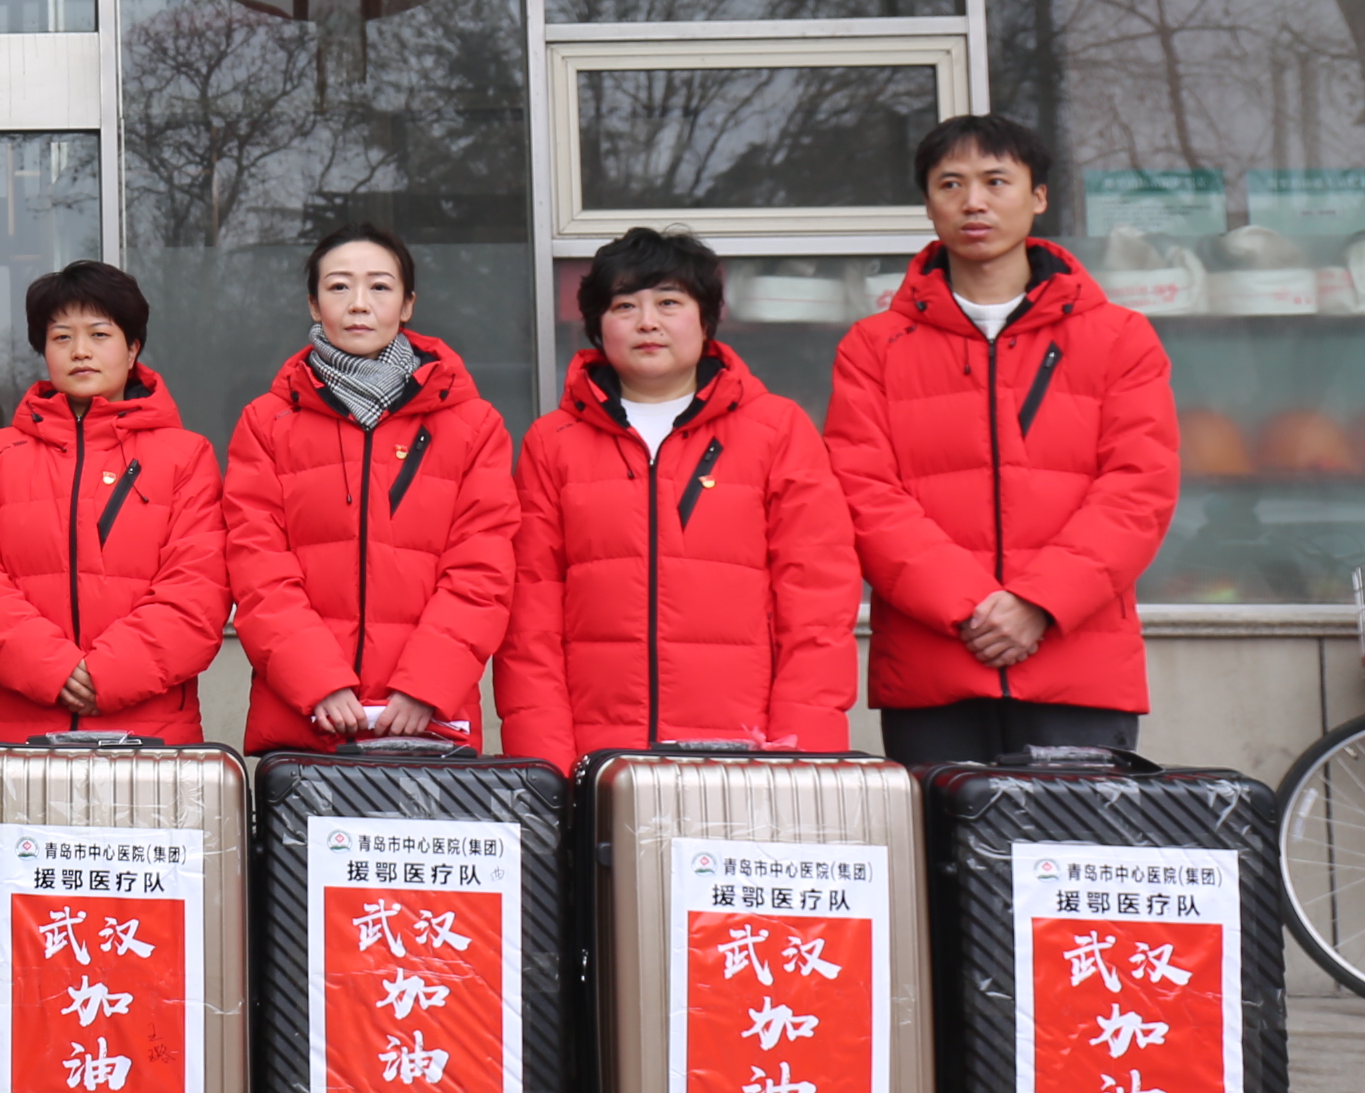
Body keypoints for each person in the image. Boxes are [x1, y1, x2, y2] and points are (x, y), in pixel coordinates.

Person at [827, 115, 1181, 763]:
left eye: (996, 181)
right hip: (934, 668)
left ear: (1038, 196)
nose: (974, 202)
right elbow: (862, 493)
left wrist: (1040, 603)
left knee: (1072, 833)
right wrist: (969, 606)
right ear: (928, 203)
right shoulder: (874, 347)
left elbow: (1139, 489)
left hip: (1078, 664)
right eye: (951, 184)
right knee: (941, 833)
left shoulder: (1119, 338)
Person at [497, 229, 856, 764]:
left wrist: (799, 755)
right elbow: (530, 621)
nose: (648, 322)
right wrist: (547, 768)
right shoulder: (552, 443)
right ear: (597, 326)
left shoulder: (777, 430)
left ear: (706, 319)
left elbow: (818, 605)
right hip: (600, 757)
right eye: (625, 306)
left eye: (669, 302)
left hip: (748, 756)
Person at [224, 223, 518, 751]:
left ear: (407, 305)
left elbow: (482, 570)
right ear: (314, 305)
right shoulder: (267, 422)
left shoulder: (473, 425)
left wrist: (426, 685)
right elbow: (256, 566)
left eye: (380, 286)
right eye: (338, 286)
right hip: (305, 720)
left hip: (429, 723)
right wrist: (316, 681)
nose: (359, 303)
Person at [0, 260, 229, 744]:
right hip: (25, 731)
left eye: (99, 334)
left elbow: (198, 591)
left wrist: (111, 673)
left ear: (132, 348)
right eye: (61, 337)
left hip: (151, 734)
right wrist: (49, 666)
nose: (80, 351)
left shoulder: (186, 456)